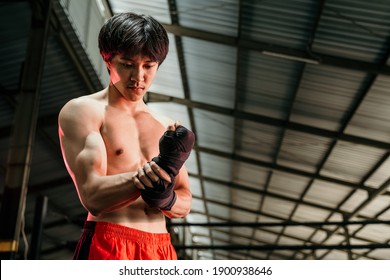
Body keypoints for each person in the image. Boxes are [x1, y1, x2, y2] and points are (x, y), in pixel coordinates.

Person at [58, 12, 194, 260]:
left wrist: (167, 197)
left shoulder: (165, 125)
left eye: (148, 66)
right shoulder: (84, 111)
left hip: (161, 249)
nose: (138, 77)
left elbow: (185, 200)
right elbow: (92, 196)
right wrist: (151, 176)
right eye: (128, 65)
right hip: (109, 241)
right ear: (108, 60)